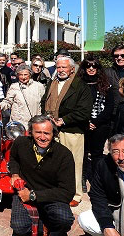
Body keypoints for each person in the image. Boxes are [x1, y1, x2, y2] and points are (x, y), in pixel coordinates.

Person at [9, 115, 75, 236]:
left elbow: (67, 192)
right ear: (30, 132)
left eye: (47, 133)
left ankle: (48, 225)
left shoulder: (64, 155)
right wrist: (14, 174)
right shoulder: (21, 143)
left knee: (64, 220)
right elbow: (13, 158)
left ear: (54, 134)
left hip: (51, 195)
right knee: (19, 227)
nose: (42, 137)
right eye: (38, 132)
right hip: (25, 190)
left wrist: (33, 196)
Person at [40, 56, 92, 206]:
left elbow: (84, 111)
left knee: (73, 162)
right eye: (58, 67)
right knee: (52, 161)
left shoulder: (81, 86)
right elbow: (45, 101)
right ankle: (55, 188)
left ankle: (75, 194)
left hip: (71, 130)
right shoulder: (52, 82)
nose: (61, 70)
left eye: (64, 67)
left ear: (72, 69)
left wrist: (63, 120)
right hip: (52, 130)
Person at [77, 55, 115, 186]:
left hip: (101, 124)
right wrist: (86, 121)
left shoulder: (105, 84)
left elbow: (110, 106)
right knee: (82, 152)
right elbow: (76, 105)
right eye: (88, 65)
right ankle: (82, 178)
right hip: (82, 123)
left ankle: (96, 179)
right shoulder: (78, 83)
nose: (91, 68)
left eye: (94, 66)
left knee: (97, 154)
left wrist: (96, 122)